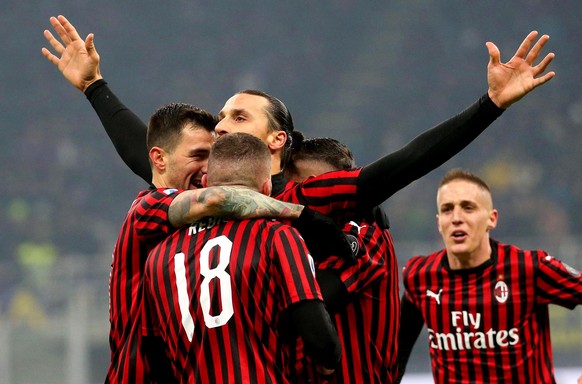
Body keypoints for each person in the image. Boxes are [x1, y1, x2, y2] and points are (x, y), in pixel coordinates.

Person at [42, 15, 556, 383]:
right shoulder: (223, 200)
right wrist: (94, 88)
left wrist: (489, 105)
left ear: (276, 141)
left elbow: (403, 165)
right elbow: (152, 161)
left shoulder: (317, 196)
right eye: (220, 119)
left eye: (239, 118)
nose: (221, 127)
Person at [138, 132, 341, 383]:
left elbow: (153, 354)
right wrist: (328, 363)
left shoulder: (158, 255)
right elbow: (319, 336)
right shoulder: (277, 236)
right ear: (266, 187)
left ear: (205, 182)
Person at [396, 168, 582, 384]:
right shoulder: (419, 277)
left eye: (468, 208)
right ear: (439, 222)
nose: (456, 218)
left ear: (491, 219)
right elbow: (395, 356)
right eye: (447, 209)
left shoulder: (529, 268)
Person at [284, 134, 398, 383]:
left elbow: (314, 303)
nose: (290, 197)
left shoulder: (366, 231)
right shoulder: (293, 239)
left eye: (299, 187)